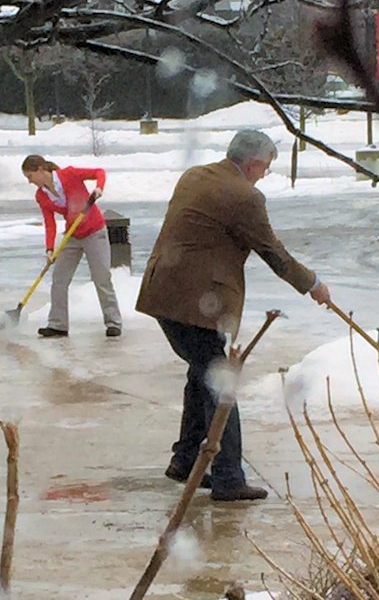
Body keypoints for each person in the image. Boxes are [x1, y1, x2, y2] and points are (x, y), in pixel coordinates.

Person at [136, 129, 331, 502]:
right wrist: (313, 285)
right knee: (218, 382)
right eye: (266, 168)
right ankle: (228, 478)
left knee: (201, 372)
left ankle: (186, 460)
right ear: (254, 163)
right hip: (194, 302)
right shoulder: (245, 197)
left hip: (166, 291)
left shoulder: (196, 175)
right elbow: (273, 252)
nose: (264, 175)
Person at [21, 154, 122, 338]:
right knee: (59, 279)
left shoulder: (69, 174)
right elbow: (49, 223)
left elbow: (99, 172)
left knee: (102, 278)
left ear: (41, 170)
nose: (29, 181)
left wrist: (99, 188)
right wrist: (49, 249)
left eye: (30, 177)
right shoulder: (41, 196)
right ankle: (58, 324)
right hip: (72, 235)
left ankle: (113, 322)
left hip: (94, 232)